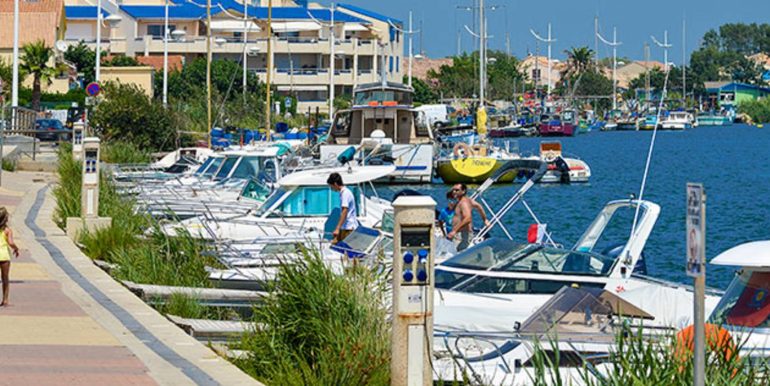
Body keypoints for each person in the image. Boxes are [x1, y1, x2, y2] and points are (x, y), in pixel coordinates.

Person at [447, 184, 489, 251]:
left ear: (463, 191)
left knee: (458, 255)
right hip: (460, 233)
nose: (454, 192)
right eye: (453, 190)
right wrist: (485, 219)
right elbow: (479, 206)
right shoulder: (467, 200)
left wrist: (454, 231)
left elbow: (468, 218)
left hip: (462, 235)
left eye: (457, 190)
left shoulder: (464, 203)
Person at [327, 172, 358, 244]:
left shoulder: (345, 193)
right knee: (335, 244)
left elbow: (345, 211)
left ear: (335, 184)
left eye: (331, 186)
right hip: (345, 227)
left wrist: (337, 228)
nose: (331, 189)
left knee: (346, 250)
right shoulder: (343, 193)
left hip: (349, 227)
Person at [0, 207, 19, 306]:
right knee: (5, 278)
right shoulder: (7, 230)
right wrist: (16, 248)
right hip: (4, 256)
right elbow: (11, 242)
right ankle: (5, 299)